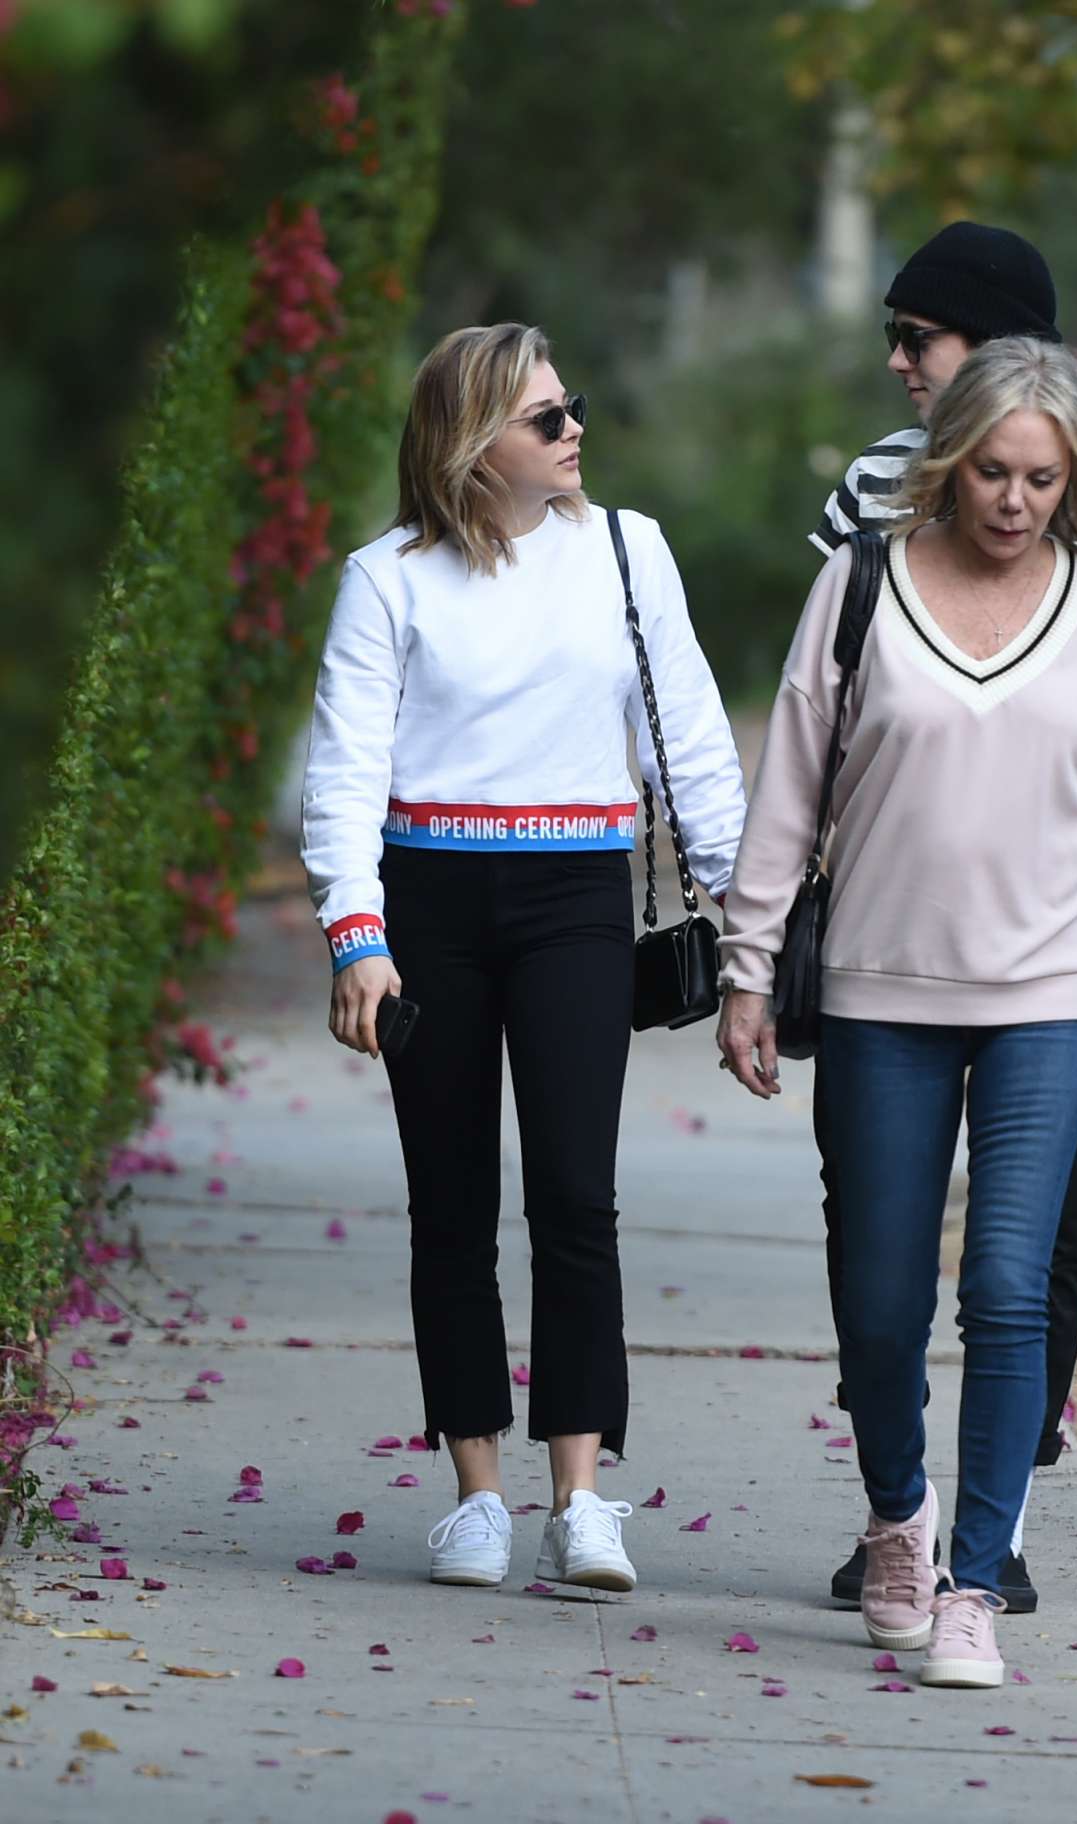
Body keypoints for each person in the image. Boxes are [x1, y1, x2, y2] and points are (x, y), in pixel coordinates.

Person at [717, 336, 1077, 1688]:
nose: (1014, 501)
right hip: (881, 988)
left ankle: (975, 1581)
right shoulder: (857, 585)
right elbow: (790, 789)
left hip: (1055, 993)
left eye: (1042, 478)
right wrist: (747, 967)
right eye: (992, 472)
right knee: (877, 1299)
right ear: (948, 462)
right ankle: (896, 1518)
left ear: (1074, 480)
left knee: (1007, 1285)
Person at [810, 223, 1077, 1612]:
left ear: (991, 344)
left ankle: (1001, 1523)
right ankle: (899, 1513)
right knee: (874, 1245)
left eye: (916, 336)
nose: (896, 361)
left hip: (1059, 942)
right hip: (894, 942)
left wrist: (1074, 862)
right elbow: (834, 704)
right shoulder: (874, 484)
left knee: (1032, 1245)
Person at [301, 323, 745, 1594]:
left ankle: (583, 1499)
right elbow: (345, 769)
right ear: (472, 443)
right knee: (449, 1205)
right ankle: (478, 1497)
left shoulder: (626, 549)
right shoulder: (387, 579)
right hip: (429, 904)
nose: (573, 430)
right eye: (546, 418)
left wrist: (748, 919)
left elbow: (690, 742)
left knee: (575, 1196)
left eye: (573, 406)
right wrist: (357, 933)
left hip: (575, 901)